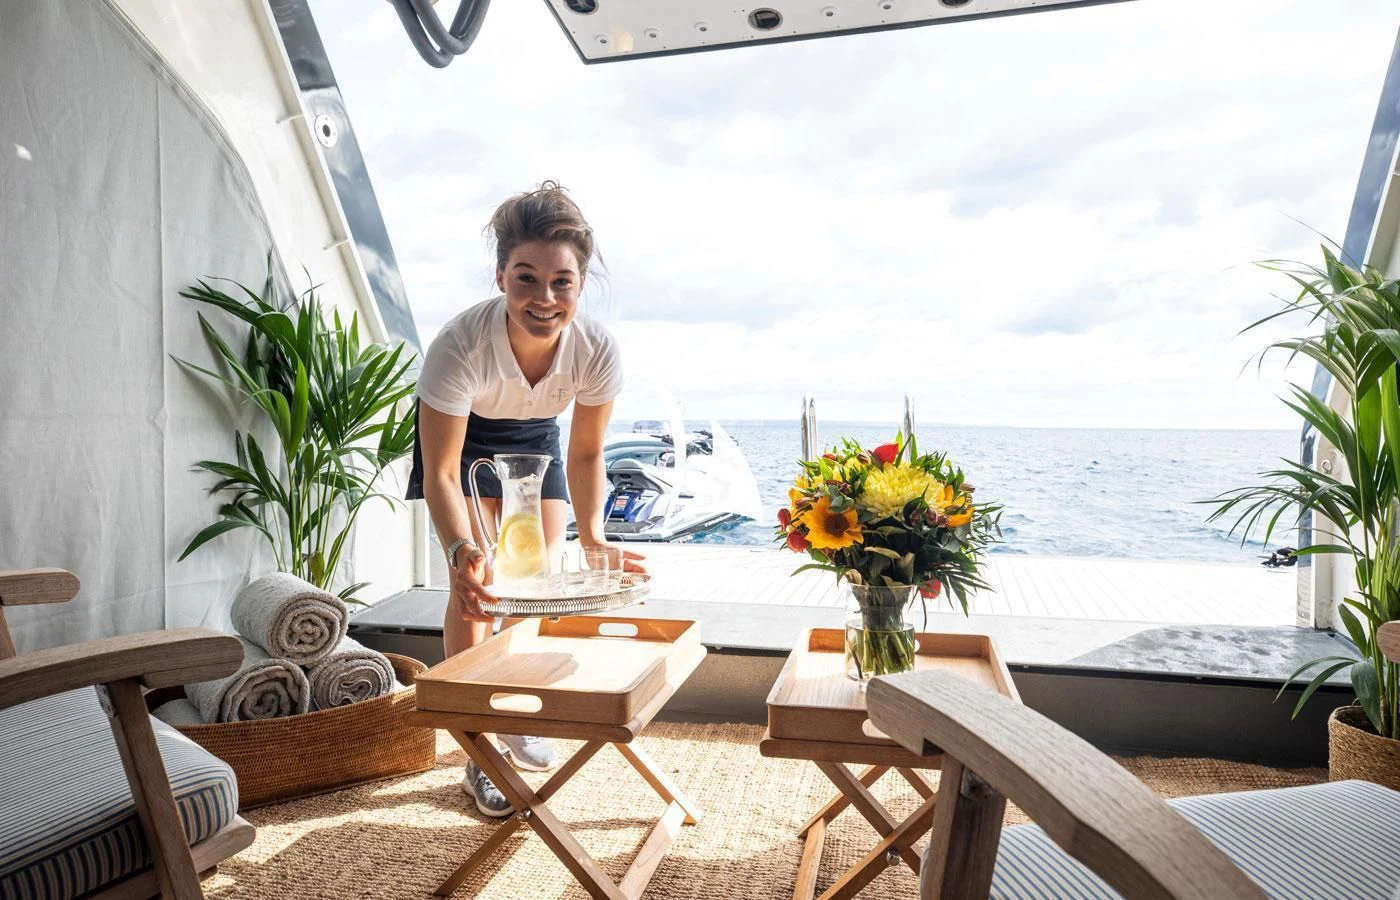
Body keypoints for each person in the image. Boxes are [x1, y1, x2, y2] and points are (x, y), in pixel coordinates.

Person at [408, 181, 642, 816]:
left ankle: (512, 710)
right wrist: (460, 550)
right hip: (462, 441)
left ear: (581, 283)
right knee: (480, 586)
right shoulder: (460, 346)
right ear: (500, 275)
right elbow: (440, 472)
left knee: (533, 581)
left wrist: (593, 535)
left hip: (535, 436)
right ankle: (477, 752)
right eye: (525, 278)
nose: (544, 299)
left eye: (561, 282)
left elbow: (587, 453)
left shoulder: (597, 349)